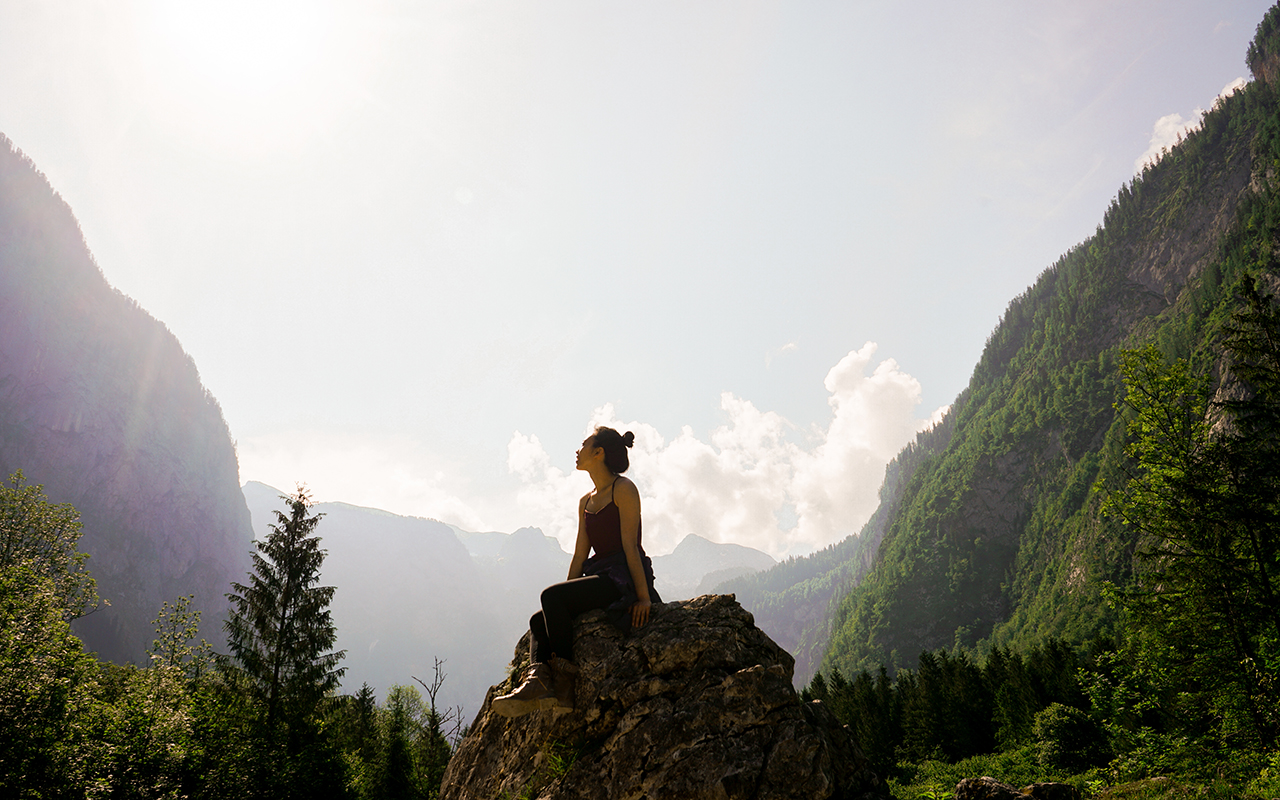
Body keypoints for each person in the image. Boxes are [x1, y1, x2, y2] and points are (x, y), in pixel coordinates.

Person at [492, 426, 661, 718]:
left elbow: (631, 547)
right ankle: (537, 680)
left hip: (621, 579)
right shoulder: (586, 501)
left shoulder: (623, 489)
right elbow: (580, 556)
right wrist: (563, 600)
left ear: (599, 453)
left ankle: (563, 687)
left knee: (551, 597)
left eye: (583, 445)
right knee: (539, 619)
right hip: (600, 575)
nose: (577, 450)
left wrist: (644, 597)